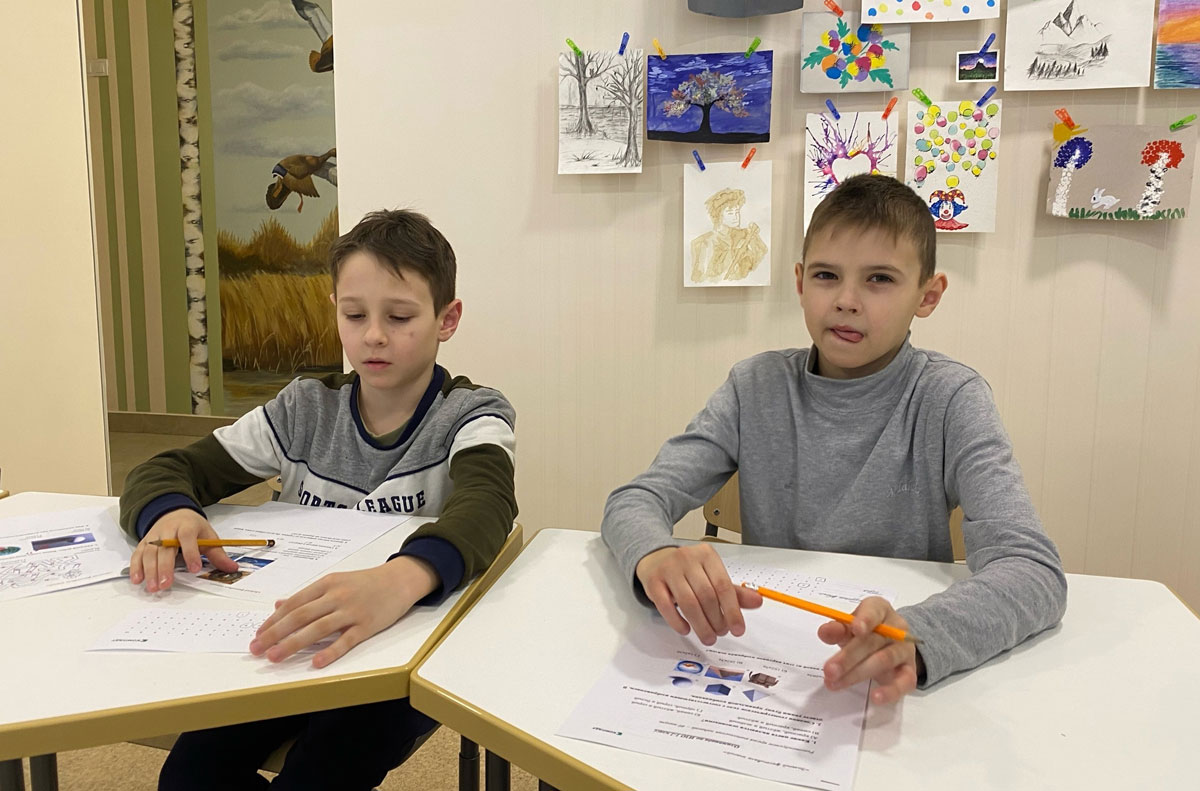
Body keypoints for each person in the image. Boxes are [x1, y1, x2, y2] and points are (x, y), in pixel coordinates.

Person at [602, 173, 1066, 706]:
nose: (846, 301)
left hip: (888, 675)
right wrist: (655, 553)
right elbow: (636, 500)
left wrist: (917, 636)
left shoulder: (951, 398)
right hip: (767, 653)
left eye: (879, 279)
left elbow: (1033, 571)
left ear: (928, 295)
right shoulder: (754, 387)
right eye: (827, 275)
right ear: (801, 282)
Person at [119, 209, 517, 791]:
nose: (373, 335)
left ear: (447, 319)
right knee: (189, 774)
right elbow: (166, 469)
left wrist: (401, 578)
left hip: (396, 656)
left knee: (321, 772)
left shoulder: (473, 414)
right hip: (292, 630)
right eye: (354, 315)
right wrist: (172, 510)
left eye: (399, 317)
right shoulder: (303, 409)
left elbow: (489, 504)